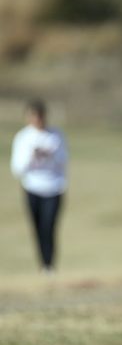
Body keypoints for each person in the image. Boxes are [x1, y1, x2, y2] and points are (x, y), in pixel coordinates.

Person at [10, 99, 68, 273]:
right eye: (33, 116)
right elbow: (17, 169)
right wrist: (32, 156)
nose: (37, 120)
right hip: (32, 188)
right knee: (37, 228)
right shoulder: (22, 137)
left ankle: (49, 265)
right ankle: (43, 265)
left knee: (49, 226)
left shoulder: (55, 136)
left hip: (54, 188)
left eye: (40, 116)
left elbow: (64, 161)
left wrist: (50, 154)